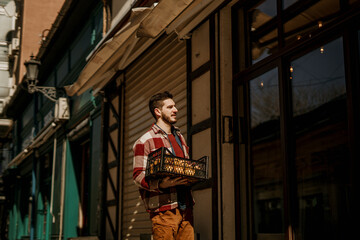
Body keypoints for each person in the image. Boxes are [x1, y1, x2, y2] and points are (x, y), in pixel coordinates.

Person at [133, 91, 195, 240]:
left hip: (186, 208)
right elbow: (137, 176)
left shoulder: (180, 137)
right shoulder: (145, 141)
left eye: (175, 106)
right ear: (158, 111)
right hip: (163, 211)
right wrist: (161, 184)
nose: (176, 110)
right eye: (170, 107)